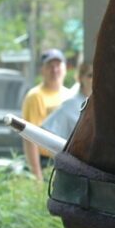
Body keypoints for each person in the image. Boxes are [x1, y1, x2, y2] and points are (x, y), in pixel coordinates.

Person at [22, 48, 72, 180]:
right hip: (46, 163)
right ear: (42, 70)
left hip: (68, 161)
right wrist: (36, 174)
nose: (54, 70)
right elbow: (29, 136)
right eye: (50, 66)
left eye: (58, 65)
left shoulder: (70, 96)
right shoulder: (35, 96)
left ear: (65, 68)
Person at [42, 62, 92, 140]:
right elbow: (45, 131)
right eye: (90, 75)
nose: (95, 79)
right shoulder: (70, 105)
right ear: (81, 78)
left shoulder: (102, 105)